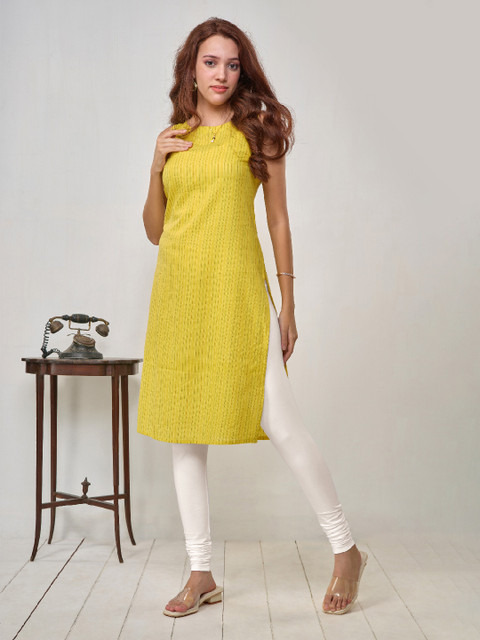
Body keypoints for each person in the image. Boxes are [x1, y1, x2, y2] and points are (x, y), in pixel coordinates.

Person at [137, 17, 368, 618]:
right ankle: (201, 572)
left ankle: (345, 549)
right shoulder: (172, 137)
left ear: (242, 72)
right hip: (179, 298)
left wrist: (288, 303)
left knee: (283, 423)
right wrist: (155, 165)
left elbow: (279, 220)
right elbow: (156, 230)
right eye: (211, 62)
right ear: (191, 68)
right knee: (185, 430)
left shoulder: (255, 132)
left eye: (232, 64)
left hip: (238, 293)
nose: (222, 74)